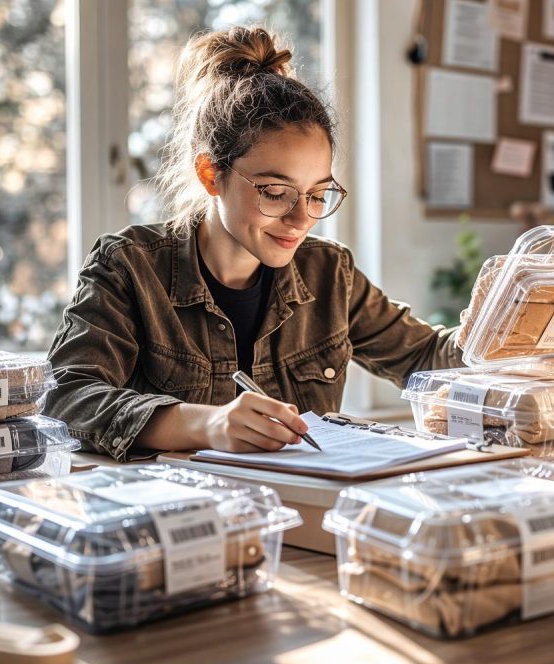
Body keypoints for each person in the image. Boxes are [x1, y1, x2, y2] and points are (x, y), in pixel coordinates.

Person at [45, 26, 465, 461]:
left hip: (303, 513)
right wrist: (208, 424)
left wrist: (507, 320)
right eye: (275, 192)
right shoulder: (129, 267)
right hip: (175, 519)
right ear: (211, 174)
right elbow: (63, 398)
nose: (302, 218)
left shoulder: (328, 273)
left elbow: (428, 356)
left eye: (318, 194)